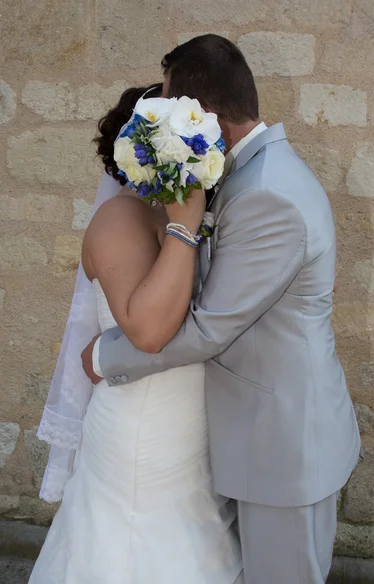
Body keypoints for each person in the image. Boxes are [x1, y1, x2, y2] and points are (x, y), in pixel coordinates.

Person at [82, 35, 361, 584]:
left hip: (284, 452)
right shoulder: (249, 176)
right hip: (255, 439)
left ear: (200, 115)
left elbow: (210, 328)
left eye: (166, 108)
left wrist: (104, 356)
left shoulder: (267, 194)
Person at [29, 83, 243, 584]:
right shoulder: (120, 218)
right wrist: (186, 227)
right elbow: (148, 332)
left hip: (187, 421)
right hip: (142, 426)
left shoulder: (169, 212)